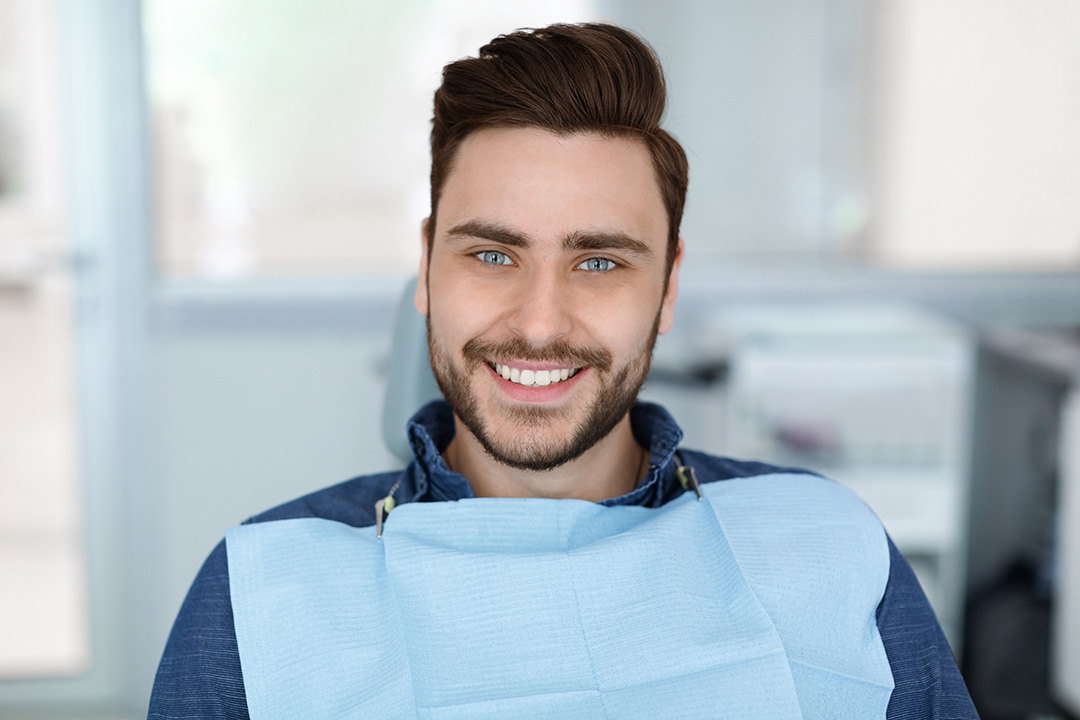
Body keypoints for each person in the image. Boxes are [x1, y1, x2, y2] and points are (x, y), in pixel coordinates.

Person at [149, 23, 978, 719]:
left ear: (668, 286)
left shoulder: (825, 542)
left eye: (600, 263)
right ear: (427, 266)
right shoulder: (264, 586)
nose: (540, 324)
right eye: (491, 253)